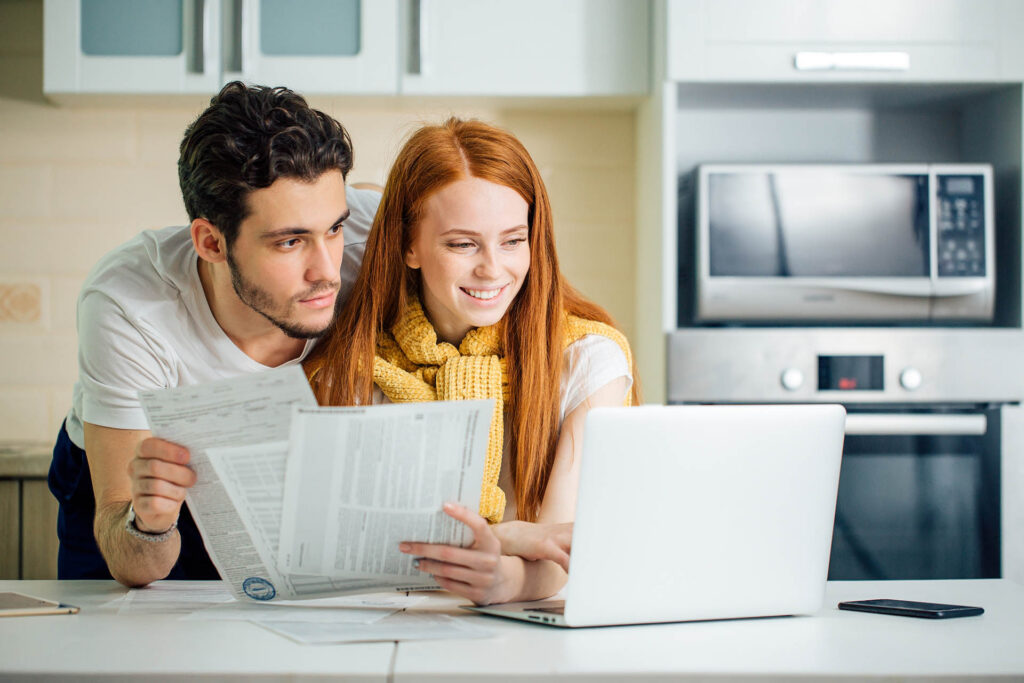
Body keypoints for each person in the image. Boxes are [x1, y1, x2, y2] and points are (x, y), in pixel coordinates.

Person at [48, 81, 380, 586]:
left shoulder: (367, 237)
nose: (328, 271)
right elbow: (126, 557)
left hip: (274, 460)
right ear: (210, 242)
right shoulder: (129, 304)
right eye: (290, 242)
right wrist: (152, 522)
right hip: (148, 481)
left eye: (334, 228)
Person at [304, 118, 639, 605]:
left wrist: (507, 580)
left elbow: (563, 545)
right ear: (408, 246)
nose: (492, 268)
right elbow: (351, 547)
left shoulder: (587, 360)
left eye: (512, 240)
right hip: (392, 618)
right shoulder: (354, 368)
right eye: (463, 243)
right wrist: (507, 542)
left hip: (529, 629)